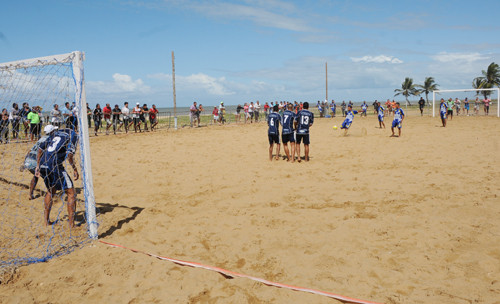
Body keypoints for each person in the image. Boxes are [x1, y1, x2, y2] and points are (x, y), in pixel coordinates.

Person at [35, 125, 79, 228]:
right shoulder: (73, 135)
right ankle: (71, 224)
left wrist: (37, 165)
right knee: (71, 192)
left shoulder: (55, 134)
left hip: (43, 164)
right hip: (54, 165)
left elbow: (40, 149)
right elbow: (69, 155)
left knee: (51, 190)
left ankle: (46, 222)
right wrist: (75, 169)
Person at [21, 135, 49, 199]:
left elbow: (29, 150)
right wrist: (38, 165)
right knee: (47, 176)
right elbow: (40, 152)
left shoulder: (41, 138)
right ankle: (50, 194)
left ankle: (30, 194)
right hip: (34, 161)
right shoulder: (49, 140)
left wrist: (24, 162)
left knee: (36, 176)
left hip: (28, 160)